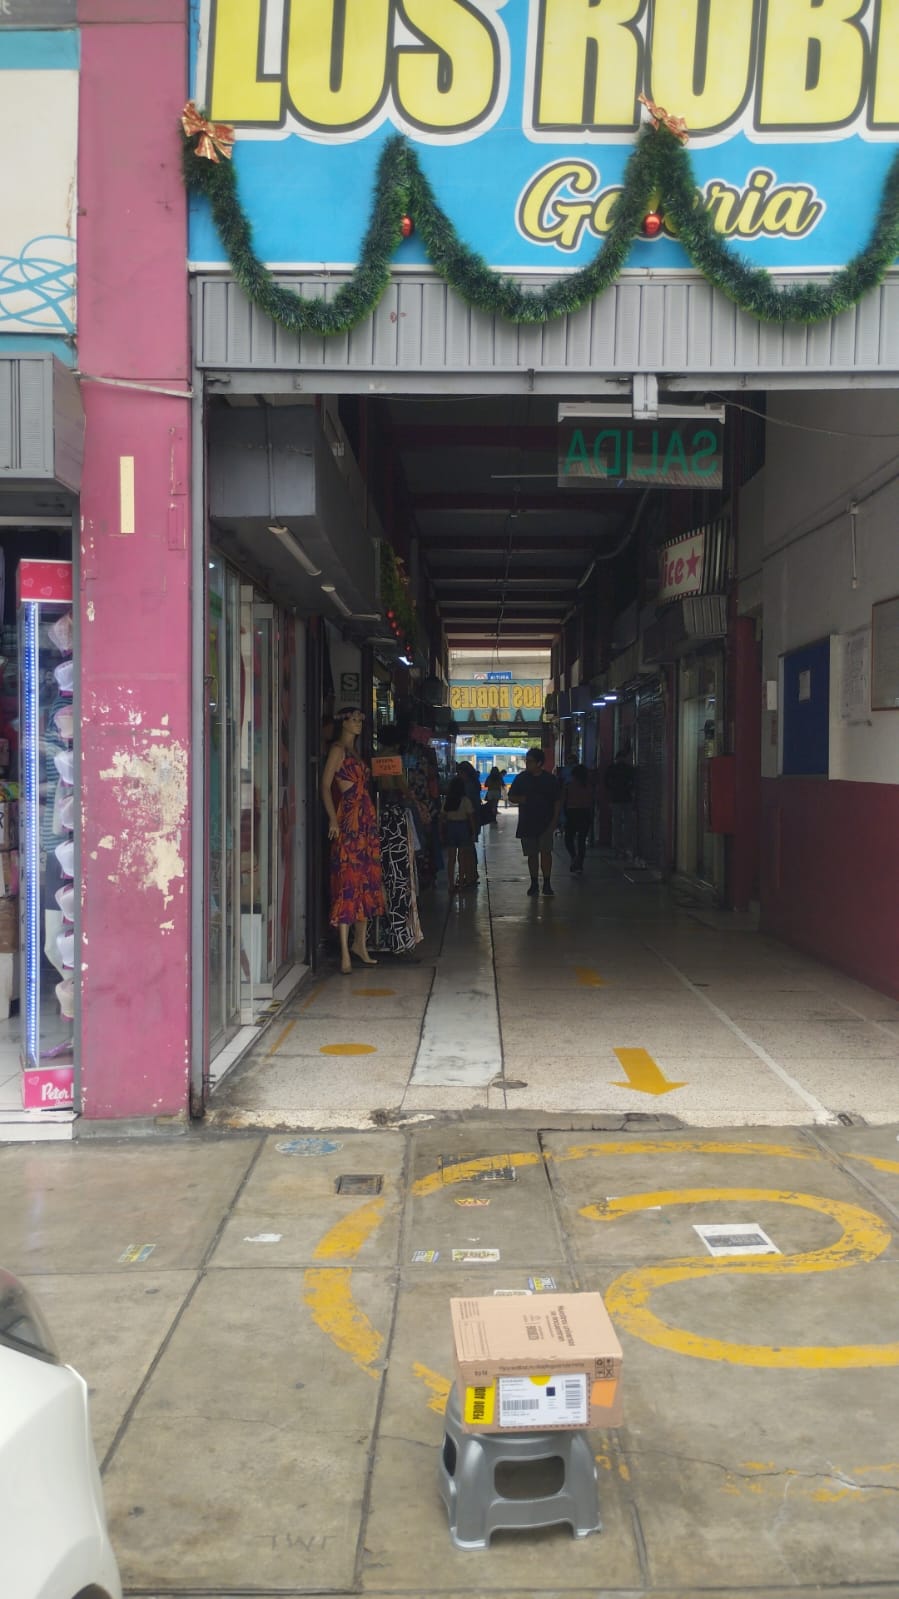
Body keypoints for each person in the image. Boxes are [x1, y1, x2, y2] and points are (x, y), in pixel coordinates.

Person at [320, 706, 385, 973]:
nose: (358, 723)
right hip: (350, 819)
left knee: (366, 880)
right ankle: (346, 951)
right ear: (343, 722)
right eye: (354, 719)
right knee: (348, 880)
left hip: (365, 820)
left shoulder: (355, 751)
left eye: (360, 719)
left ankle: (360, 944)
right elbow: (325, 785)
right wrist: (333, 819)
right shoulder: (338, 750)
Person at [375, 728, 424, 958]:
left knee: (382, 872)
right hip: (394, 820)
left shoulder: (375, 757)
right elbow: (402, 788)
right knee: (398, 874)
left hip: (378, 816)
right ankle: (399, 933)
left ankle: (383, 931)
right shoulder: (393, 760)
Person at [508, 747, 561, 897]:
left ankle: (547, 883)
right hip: (527, 823)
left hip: (546, 823)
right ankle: (534, 883)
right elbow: (511, 797)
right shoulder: (521, 778)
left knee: (546, 853)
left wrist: (555, 820)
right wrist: (522, 799)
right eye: (526, 761)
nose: (527, 764)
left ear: (539, 763)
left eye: (530, 761)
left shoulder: (550, 780)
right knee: (531, 854)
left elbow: (557, 801)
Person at [441, 774, 477, 892]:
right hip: (463, 828)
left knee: (451, 859)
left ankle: (451, 885)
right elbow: (471, 818)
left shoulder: (447, 800)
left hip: (451, 828)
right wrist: (473, 832)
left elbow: (442, 817)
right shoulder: (465, 800)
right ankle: (461, 884)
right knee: (462, 859)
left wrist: (441, 832)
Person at [605, 747, 636, 859]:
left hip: (616, 799)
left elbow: (606, 783)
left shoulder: (612, 768)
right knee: (628, 824)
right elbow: (634, 783)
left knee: (616, 824)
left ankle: (618, 848)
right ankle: (627, 847)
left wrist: (613, 789)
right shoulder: (630, 769)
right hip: (627, 798)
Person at [563, 762, 593, 874]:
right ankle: (579, 865)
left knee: (568, 838)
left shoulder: (569, 785)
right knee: (581, 840)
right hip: (585, 813)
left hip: (572, 813)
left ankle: (574, 857)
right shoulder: (589, 786)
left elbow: (564, 801)